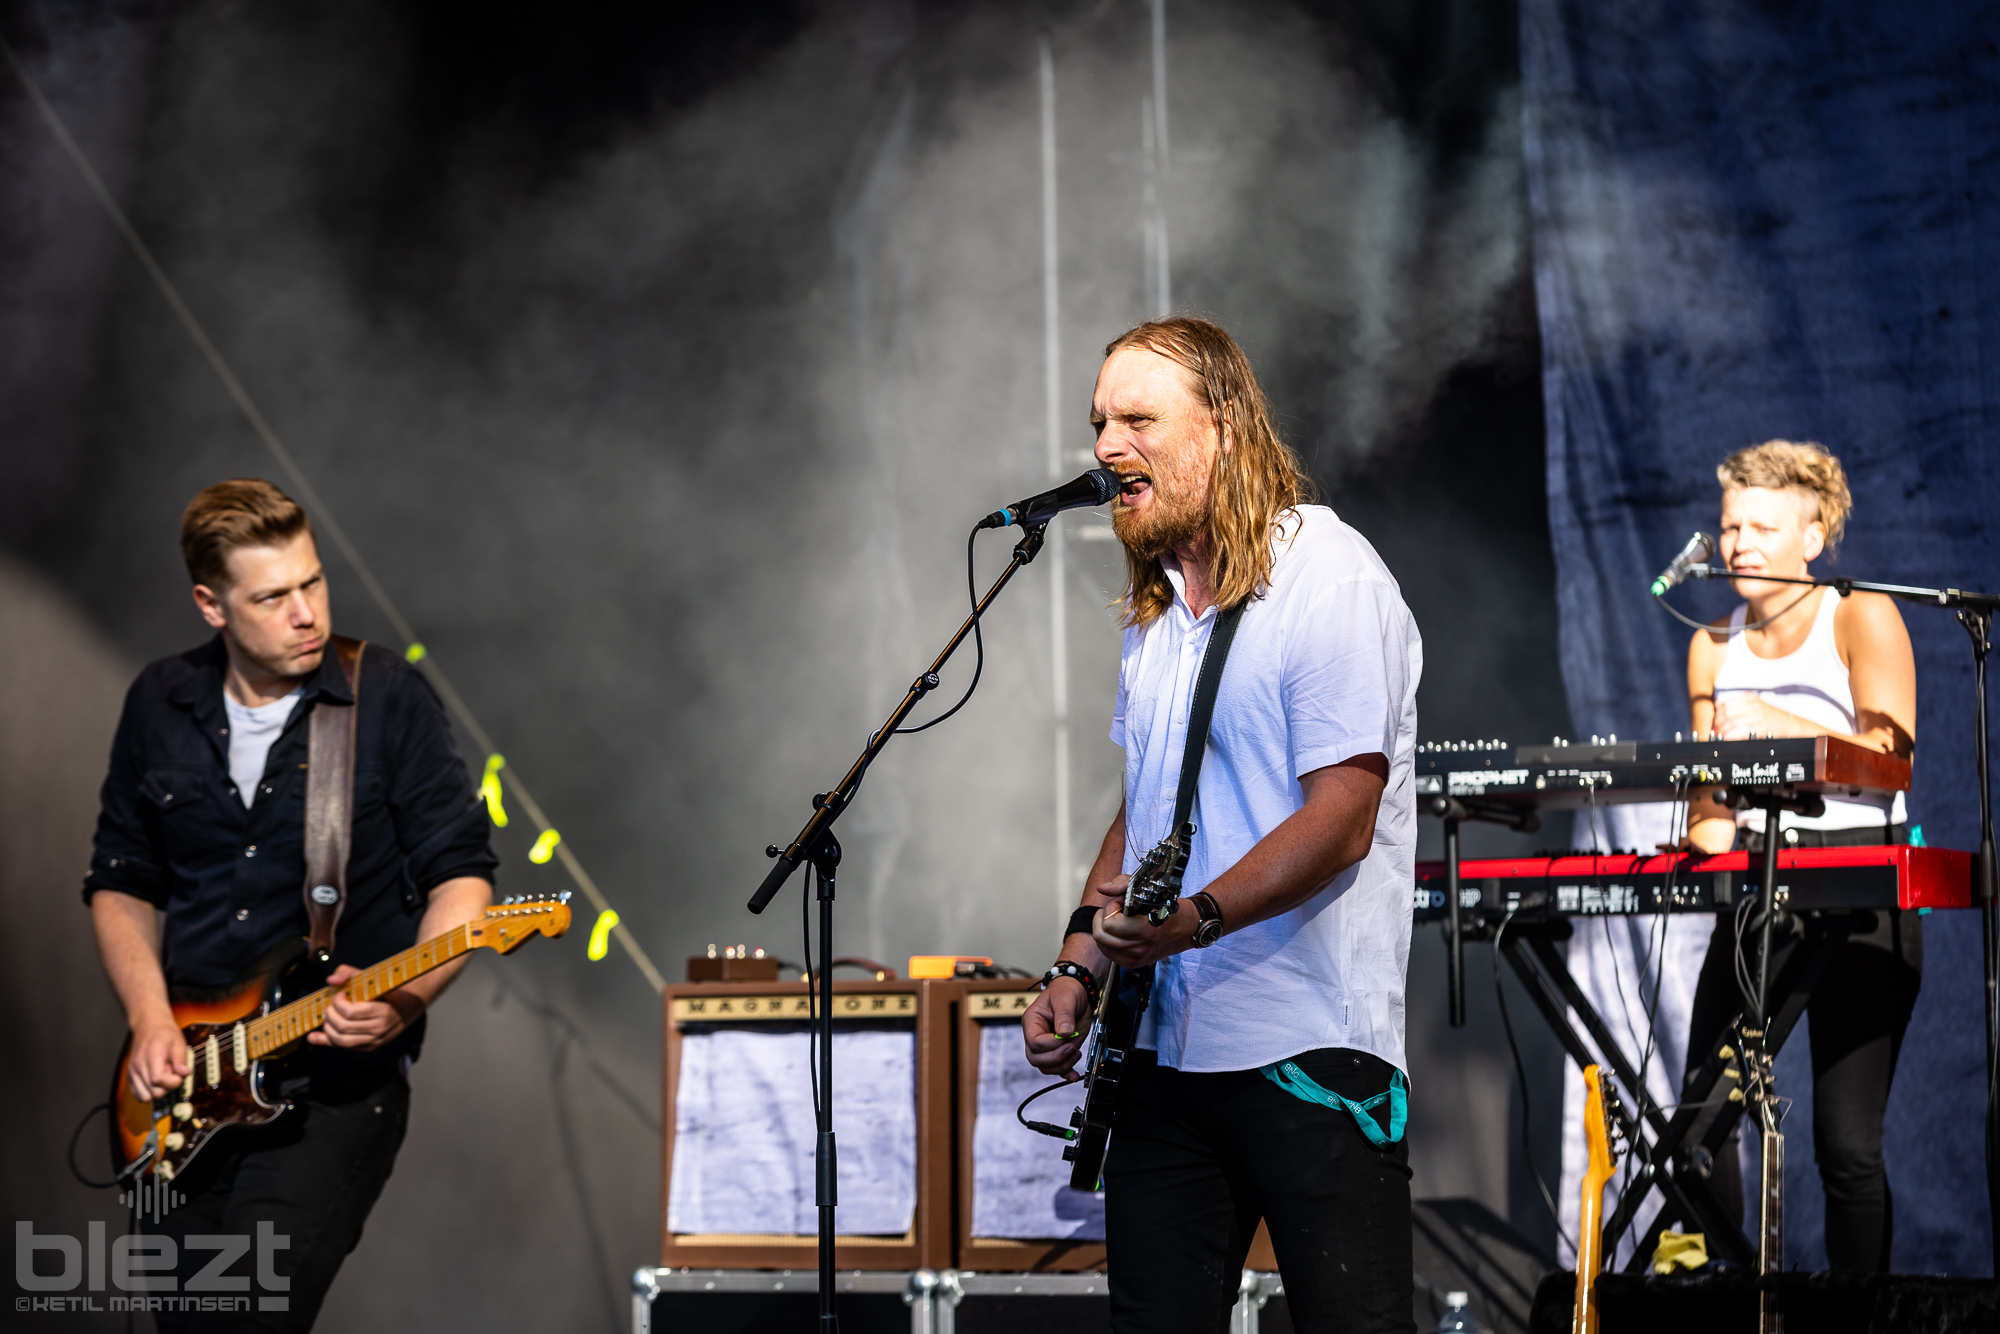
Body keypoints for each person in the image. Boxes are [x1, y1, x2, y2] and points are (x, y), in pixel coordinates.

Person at [1020, 318, 1422, 1334]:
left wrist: (1194, 916)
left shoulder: (1327, 577)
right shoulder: (1156, 610)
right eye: (1098, 422)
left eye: (1138, 419)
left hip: (1306, 1046)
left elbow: (1340, 815)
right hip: (1160, 1047)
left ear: (1225, 424)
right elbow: (1145, 800)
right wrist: (1075, 964)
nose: (1108, 446)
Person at [85, 479, 497, 1329]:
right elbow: (122, 881)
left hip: (328, 1092)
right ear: (211, 604)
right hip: (181, 1097)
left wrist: (406, 997)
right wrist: (151, 1019)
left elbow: (463, 876)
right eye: (273, 596)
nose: (306, 611)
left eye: (313, 582)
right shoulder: (158, 703)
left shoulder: (384, 698)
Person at [1680, 440, 1917, 1271]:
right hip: (1758, 882)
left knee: (1846, 1148)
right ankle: (1725, 1298)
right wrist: (1689, 856)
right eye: (1728, 526)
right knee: (1700, 1125)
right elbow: (1710, 802)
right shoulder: (1712, 642)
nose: (1737, 543)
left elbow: (1892, 757)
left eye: (1760, 527)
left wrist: (1781, 727)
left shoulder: (1861, 614)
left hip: (1863, 879)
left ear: (1812, 537)